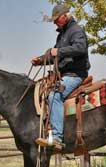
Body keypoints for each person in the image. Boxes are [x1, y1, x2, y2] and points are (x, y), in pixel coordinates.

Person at [31, 4, 90, 147]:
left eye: (57, 20)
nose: (55, 23)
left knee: (54, 95)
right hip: (64, 74)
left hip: (75, 74)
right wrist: (40, 60)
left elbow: (80, 48)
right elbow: (55, 55)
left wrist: (59, 52)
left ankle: (57, 137)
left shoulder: (76, 30)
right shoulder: (62, 34)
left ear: (65, 16)